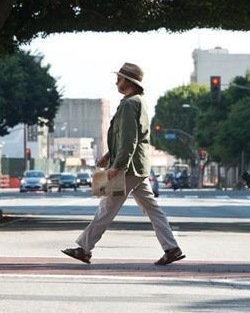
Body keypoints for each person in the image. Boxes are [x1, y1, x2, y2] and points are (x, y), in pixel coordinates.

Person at [61, 62, 184, 266]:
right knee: (152, 209)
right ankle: (172, 249)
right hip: (139, 166)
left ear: (128, 81)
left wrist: (117, 166)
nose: (116, 81)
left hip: (130, 167)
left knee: (107, 206)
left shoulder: (129, 104)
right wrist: (109, 156)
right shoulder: (139, 101)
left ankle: (84, 249)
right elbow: (126, 137)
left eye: (119, 78)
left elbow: (129, 140)